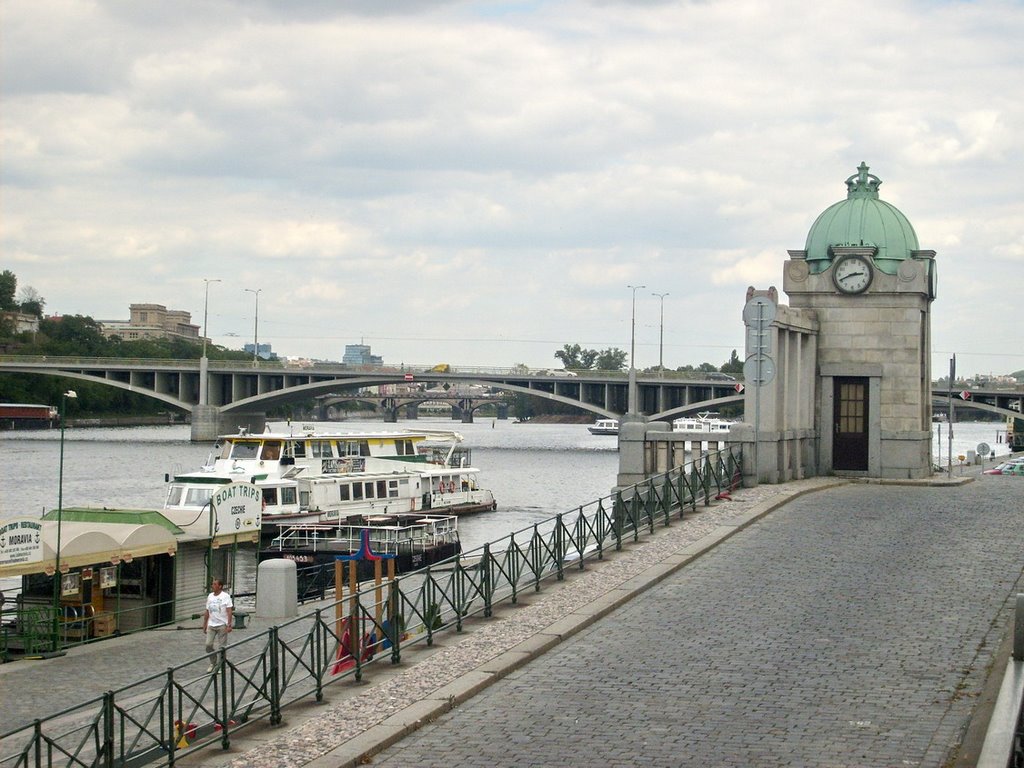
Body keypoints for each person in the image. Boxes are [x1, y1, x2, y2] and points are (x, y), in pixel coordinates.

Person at [202, 579, 233, 673]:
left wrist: (229, 624)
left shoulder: (225, 596)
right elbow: (207, 611)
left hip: (222, 625)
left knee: (222, 646)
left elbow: (229, 611)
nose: (212, 585)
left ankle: (219, 665)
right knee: (208, 645)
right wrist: (205, 623)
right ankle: (213, 661)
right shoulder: (210, 596)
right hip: (211, 624)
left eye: (215, 584)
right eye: (212, 584)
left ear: (220, 586)